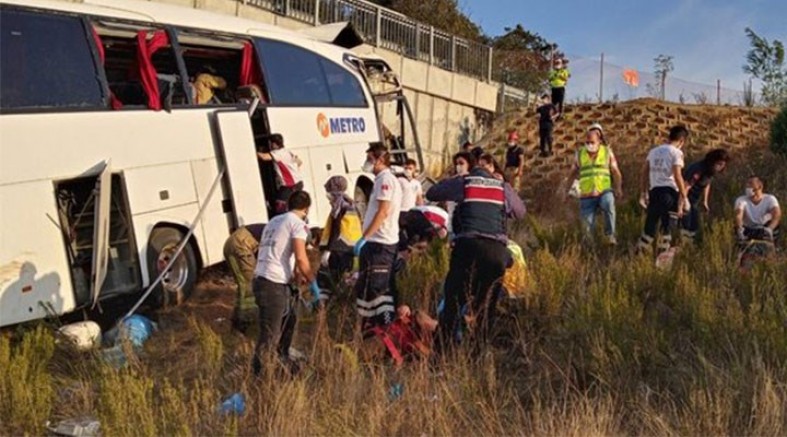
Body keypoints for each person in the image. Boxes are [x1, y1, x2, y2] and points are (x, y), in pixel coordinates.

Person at [426, 159, 526, 354]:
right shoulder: (501, 186)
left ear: (472, 171)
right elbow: (520, 212)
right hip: (495, 252)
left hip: (467, 248)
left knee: (453, 300)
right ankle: (478, 355)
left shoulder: (465, 182)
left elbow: (432, 193)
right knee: (487, 307)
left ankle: (443, 354)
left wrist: (456, 179)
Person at [251, 191, 318, 376]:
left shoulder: (274, 221)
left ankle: (282, 361)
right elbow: (301, 258)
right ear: (306, 209)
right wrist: (314, 283)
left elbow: (285, 257)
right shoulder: (298, 224)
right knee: (270, 335)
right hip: (272, 283)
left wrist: (296, 279)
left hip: (264, 279)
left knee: (290, 321)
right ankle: (260, 377)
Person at [354, 142, 403, 333]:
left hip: (381, 244)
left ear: (381, 159)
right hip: (375, 243)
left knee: (379, 289)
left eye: (370, 158)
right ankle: (370, 329)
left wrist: (365, 237)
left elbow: (383, 212)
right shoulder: (380, 180)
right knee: (366, 289)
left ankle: (387, 330)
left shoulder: (386, 180)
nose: (367, 162)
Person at [636, 126, 690, 255]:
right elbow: (677, 175)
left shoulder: (653, 151)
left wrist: (643, 193)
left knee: (651, 224)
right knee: (667, 226)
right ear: (681, 141)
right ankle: (662, 256)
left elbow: (644, 173)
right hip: (669, 193)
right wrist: (684, 197)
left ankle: (639, 253)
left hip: (654, 191)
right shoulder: (676, 153)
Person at [569, 123, 623, 245]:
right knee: (587, 228)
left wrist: (618, 187)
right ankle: (590, 249)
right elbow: (572, 173)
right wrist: (566, 191)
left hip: (604, 190)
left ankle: (610, 236)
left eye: (592, 142)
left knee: (609, 204)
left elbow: (615, 171)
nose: (589, 145)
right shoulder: (580, 154)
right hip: (586, 195)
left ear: (599, 140)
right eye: (587, 142)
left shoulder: (607, 152)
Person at [223, 223, 266, 333]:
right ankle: (244, 322)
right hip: (241, 246)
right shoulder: (281, 234)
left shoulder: (273, 226)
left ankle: (237, 320)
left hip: (232, 244)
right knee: (249, 285)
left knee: (242, 285)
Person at [680, 149, 731, 242]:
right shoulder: (698, 169)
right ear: (713, 161)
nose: (721, 167)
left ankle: (689, 243)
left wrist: (705, 201)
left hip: (694, 200)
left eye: (723, 165)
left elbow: (707, 184)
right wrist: (682, 202)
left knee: (694, 223)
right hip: (686, 197)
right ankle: (683, 243)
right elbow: (686, 186)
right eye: (719, 164)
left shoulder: (710, 171)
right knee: (686, 222)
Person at [319, 176, 361, 283]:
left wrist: (328, 250)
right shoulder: (352, 205)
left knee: (333, 280)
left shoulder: (338, 207)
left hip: (338, 248)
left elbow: (336, 230)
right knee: (347, 278)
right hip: (352, 248)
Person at [257, 134, 304, 215]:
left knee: (280, 206)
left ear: (274, 144)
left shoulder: (277, 153)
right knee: (296, 205)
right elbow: (299, 162)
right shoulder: (287, 151)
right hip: (298, 183)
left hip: (289, 185)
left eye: (270, 143)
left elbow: (264, 157)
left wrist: (252, 151)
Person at [734, 176, 781, 243]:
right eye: (747, 184)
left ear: (760, 186)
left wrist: (770, 228)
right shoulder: (741, 200)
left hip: (764, 228)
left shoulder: (770, 199)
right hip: (748, 229)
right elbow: (738, 215)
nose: (747, 186)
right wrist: (740, 228)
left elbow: (777, 214)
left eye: (750, 183)